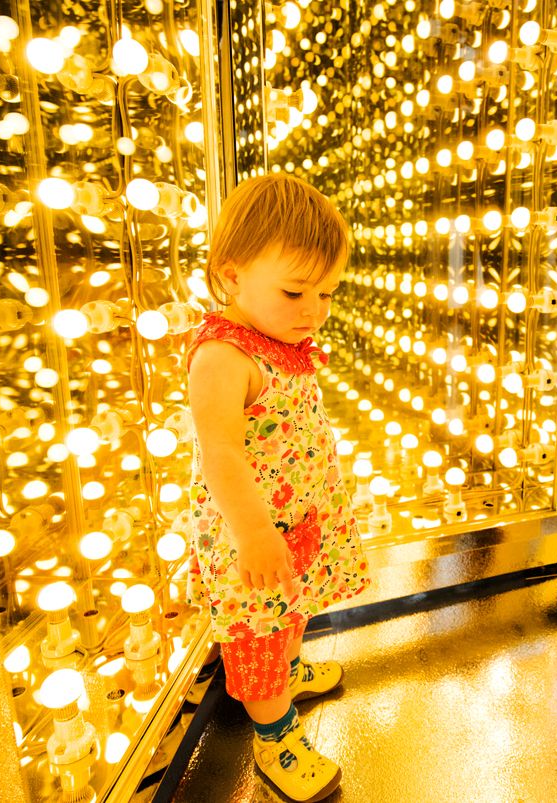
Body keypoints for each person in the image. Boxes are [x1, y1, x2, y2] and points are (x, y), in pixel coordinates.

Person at [186, 173, 370, 802]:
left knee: (294, 610)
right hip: (256, 533)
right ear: (232, 275)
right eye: (295, 291)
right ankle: (276, 735)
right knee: (260, 635)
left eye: (327, 293)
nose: (314, 310)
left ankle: (291, 670)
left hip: (300, 520)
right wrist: (256, 532)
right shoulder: (224, 356)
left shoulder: (282, 343)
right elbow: (220, 454)